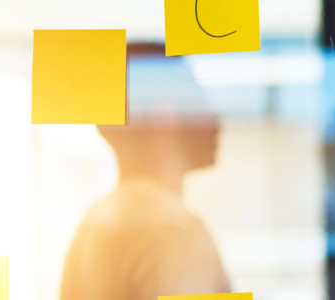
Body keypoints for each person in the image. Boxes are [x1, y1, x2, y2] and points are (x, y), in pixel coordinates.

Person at [59, 43, 230, 300]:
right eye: (197, 96)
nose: (216, 118)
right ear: (165, 114)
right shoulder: (175, 232)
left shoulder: (92, 226)